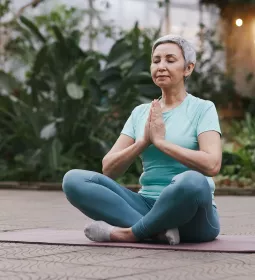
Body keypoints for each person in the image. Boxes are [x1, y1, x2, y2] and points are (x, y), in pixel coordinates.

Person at [62, 35, 222, 245]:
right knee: (74, 180)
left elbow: (212, 164)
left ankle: (128, 233)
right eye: (156, 61)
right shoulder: (141, 113)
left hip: (193, 216)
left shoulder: (203, 108)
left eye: (170, 60)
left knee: (192, 181)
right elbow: (109, 169)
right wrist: (143, 142)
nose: (161, 66)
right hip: (146, 204)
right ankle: (156, 231)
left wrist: (162, 143)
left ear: (188, 68)